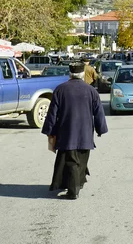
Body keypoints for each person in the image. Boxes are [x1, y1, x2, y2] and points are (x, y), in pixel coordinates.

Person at [42, 62, 108, 200]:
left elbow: (52, 113)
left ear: (70, 74)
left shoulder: (60, 89)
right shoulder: (91, 91)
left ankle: (73, 191)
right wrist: (100, 129)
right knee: (82, 160)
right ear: (83, 75)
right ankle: (77, 185)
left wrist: (49, 130)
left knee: (71, 161)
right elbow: (99, 112)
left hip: (67, 132)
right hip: (85, 133)